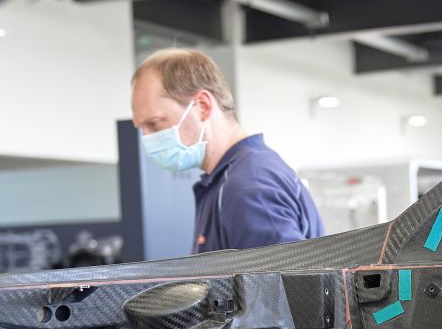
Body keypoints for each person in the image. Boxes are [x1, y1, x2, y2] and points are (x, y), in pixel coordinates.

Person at [131, 49, 323, 253]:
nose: (148, 138)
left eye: (154, 124)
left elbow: (289, 283)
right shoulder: (231, 179)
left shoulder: (250, 186)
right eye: (141, 129)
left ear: (203, 106)